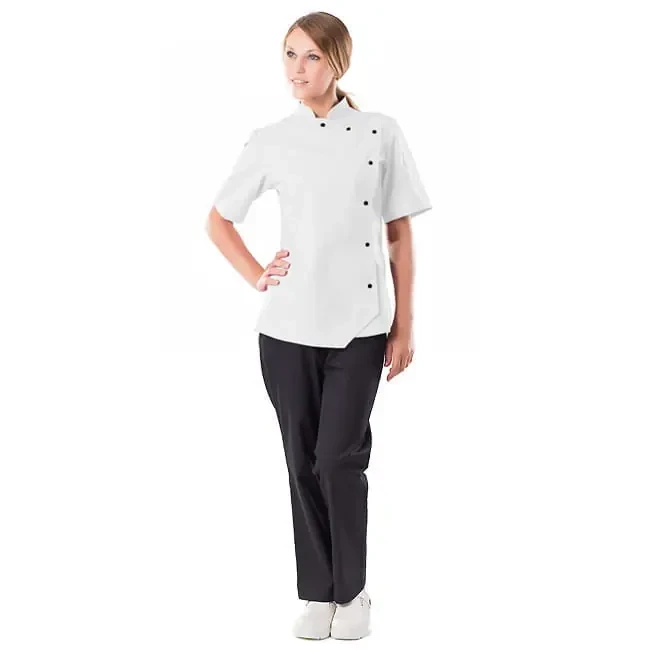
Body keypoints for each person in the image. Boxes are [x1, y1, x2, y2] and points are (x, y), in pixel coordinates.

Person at [205, 11, 432, 641]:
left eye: (310, 56)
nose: (296, 68)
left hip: (361, 326)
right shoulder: (271, 139)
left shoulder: (381, 133)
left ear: (338, 62)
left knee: (338, 459)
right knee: (301, 462)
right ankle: (318, 593)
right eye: (289, 54)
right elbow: (219, 220)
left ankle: (351, 591)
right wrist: (257, 274)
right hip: (286, 329)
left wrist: (404, 324)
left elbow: (399, 235)